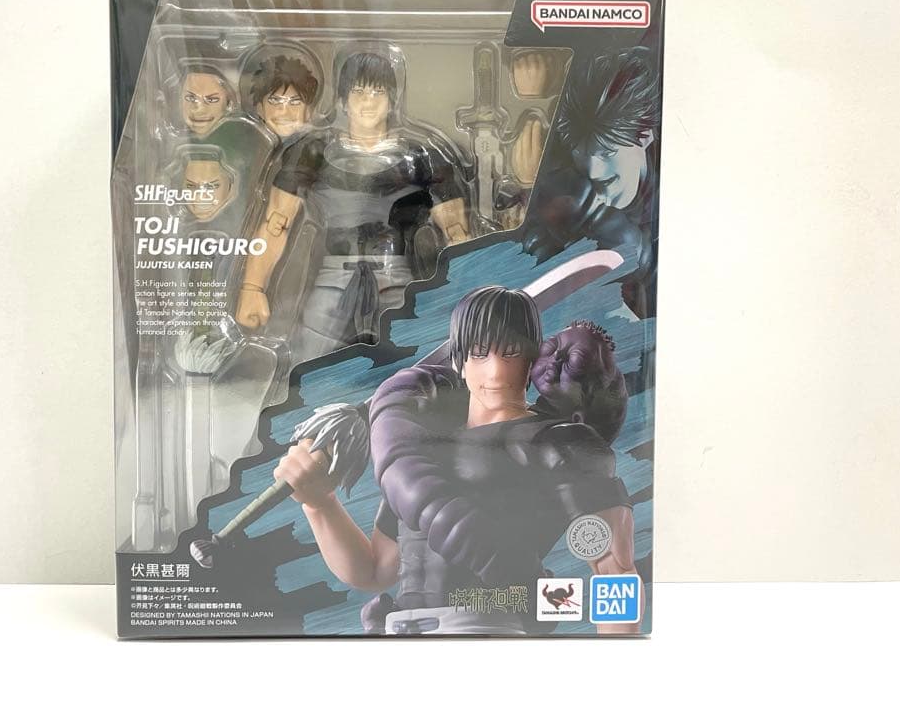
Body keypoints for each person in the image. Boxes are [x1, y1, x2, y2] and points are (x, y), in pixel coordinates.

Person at [274, 287, 638, 635]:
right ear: (460, 362)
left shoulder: (559, 443)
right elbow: (374, 571)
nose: (495, 371)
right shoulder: (418, 450)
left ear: (530, 360)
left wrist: (619, 660)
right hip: (398, 632)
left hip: (486, 631)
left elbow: (615, 572)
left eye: (510, 353)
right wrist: (320, 504)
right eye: (480, 353)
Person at [235, 50, 470, 363]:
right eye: (359, 91)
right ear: (344, 100)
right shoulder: (313, 153)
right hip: (334, 278)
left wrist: (471, 290)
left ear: (392, 100)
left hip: (395, 277)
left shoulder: (422, 158)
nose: (368, 101)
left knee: (411, 365)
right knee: (309, 362)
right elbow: (276, 224)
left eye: (377, 91)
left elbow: (456, 232)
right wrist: (252, 286)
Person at [519, 47, 661, 318]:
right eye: (581, 153)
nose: (593, 171)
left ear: (644, 137)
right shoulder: (560, 182)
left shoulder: (668, 217)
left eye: (607, 153)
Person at [248, 55, 319, 140]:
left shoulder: (318, 144)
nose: (284, 111)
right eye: (275, 101)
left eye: (295, 102)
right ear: (260, 109)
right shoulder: (250, 142)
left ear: (308, 111)